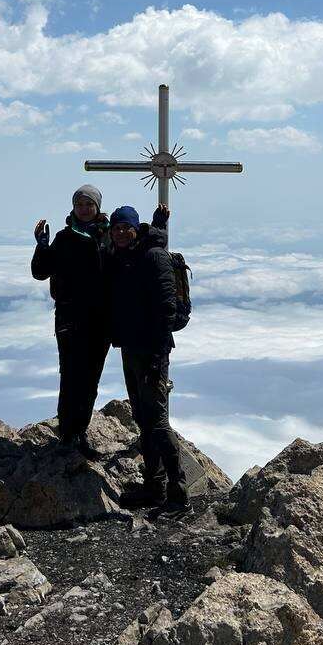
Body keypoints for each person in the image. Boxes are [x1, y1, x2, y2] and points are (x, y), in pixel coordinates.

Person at [105, 202, 188, 519]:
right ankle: (153, 487)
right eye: (116, 228)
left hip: (152, 351)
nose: (121, 232)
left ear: (136, 229)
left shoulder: (152, 256)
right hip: (131, 348)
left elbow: (166, 308)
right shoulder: (124, 256)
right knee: (142, 417)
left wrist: (156, 356)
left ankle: (177, 494)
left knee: (157, 421)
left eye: (126, 227)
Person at [31, 184, 110, 459]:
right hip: (69, 317)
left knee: (91, 379)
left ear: (97, 207)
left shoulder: (108, 236)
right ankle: (67, 433)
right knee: (71, 376)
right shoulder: (64, 238)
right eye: (80, 204)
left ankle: (80, 432)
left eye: (89, 204)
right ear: (73, 208)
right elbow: (40, 272)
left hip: (101, 320)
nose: (84, 209)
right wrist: (41, 247)